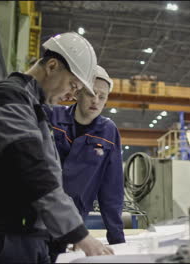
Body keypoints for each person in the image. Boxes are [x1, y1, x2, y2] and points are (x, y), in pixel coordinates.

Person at [0, 32, 114, 263]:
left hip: (27, 235)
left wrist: (59, 235)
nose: (71, 95)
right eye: (72, 85)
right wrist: (79, 234)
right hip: (2, 236)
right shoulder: (7, 98)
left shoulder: (34, 108)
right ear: (51, 66)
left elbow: (48, 175)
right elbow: (33, 171)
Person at [46, 65, 125, 260]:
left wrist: (118, 242)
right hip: (38, 217)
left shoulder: (108, 131)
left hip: (73, 223)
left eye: (102, 97)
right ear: (78, 92)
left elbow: (111, 190)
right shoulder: (51, 117)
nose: (96, 101)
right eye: (91, 93)